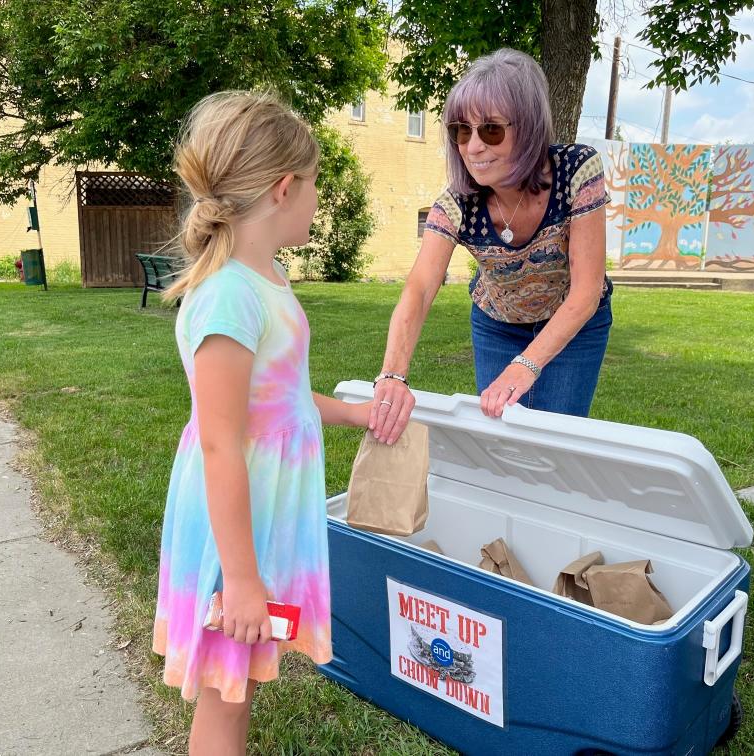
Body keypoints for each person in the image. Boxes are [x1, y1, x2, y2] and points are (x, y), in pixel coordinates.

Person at [151, 91, 371, 756]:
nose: (315, 199)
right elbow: (220, 443)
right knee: (224, 692)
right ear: (284, 188)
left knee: (239, 681)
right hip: (233, 537)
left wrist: (355, 416)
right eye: (313, 185)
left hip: (264, 518)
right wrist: (243, 581)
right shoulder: (227, 298)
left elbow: (285, 400)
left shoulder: (265, 278)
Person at [370, 48, 612, 445]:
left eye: (491, 130)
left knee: (557, 442)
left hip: (575, 320)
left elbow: (587, 291)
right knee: (502, 442)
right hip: (497, 324)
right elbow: (419, 288)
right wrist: (393, 375)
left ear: (530, 127)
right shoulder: (457, 203)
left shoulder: (577, 170)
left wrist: (526, 365)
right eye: (462, 131)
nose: (473, 147)